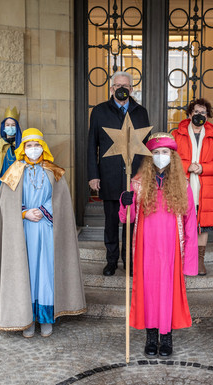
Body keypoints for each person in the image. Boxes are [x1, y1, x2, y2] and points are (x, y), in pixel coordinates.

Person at [0, 128, 86, 337]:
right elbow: (5, 204)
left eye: (37, 145)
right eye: (29, 145)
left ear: (43, 147)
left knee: (46, 273)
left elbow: (62, 202)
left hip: (47, 229)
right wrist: (24, 213)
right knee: (27, 272)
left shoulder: (54, 171)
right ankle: (26, 320)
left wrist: (43, 211)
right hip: (23, 231)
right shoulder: (14, 172)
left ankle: (45, 318)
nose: (33, 149)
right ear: (23, 148)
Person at [119, 132, 198, 359]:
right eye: (155, 152)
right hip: (146, 247)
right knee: (149, 291)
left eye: (165, 152)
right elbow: (127, 218)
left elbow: (190, 222)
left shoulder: (182, 184)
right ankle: (151, 336)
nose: (160, 156)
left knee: (169, 292)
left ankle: (167, 337)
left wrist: (190, 260)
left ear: (172, 156)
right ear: (149, 156)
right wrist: (125, 203)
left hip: (172, 247)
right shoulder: (137, 183)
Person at [87, 71, 150, 276]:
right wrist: (93, 175)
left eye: (126, 86)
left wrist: (146, 176)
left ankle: (129, 262)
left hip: (135, 177)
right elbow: (91, 146)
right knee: (111, 222)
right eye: (117, 85)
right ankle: (111, 261)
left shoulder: (141, 112)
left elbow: (146, 146)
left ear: (131, 89)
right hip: (109, 176)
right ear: (112, 88)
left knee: (132, 222)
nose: (121, 89)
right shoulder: (99, 111)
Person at [173, 98, 213, 275]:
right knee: (182, 223)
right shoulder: (177, 134)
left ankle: (199, 261)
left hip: (205, 189)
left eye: (203, 113)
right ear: (189, 114)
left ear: (207, 116)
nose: (199, 116)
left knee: (203, 226)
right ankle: (182, 260)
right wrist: (187, 166)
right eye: (196, 112)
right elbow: (171, 158)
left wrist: (203, 168)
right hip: (183, 186)